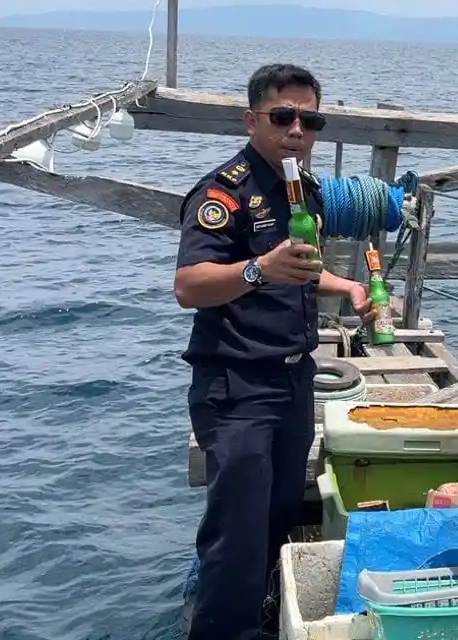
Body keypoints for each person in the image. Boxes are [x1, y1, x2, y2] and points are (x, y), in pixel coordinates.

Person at [174, 63, 375, 640]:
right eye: (282, 116)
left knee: (280, 513)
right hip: (237, 383)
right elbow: (189, 285)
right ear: (252, 119)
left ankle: (264, 617)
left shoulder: (303, 188)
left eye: (309, 119)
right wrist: (260, 269)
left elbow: (301, 272)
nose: (296, 130)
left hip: (293, 378)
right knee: (235, 532)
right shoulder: (223, 192)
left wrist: (349, 287)